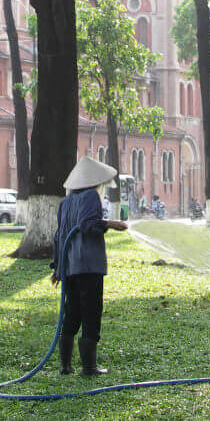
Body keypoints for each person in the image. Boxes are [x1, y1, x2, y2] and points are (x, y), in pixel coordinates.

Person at [50, 156, 128, 376]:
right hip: (89, 266)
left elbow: (59, 236)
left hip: (70, 268)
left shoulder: (65, 203)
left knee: (72, 313)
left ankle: (65, 366)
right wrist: (111, 224)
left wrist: (58, 267)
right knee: (91, 313)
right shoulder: (91, 196)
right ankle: (89, 367)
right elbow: (87, 225)